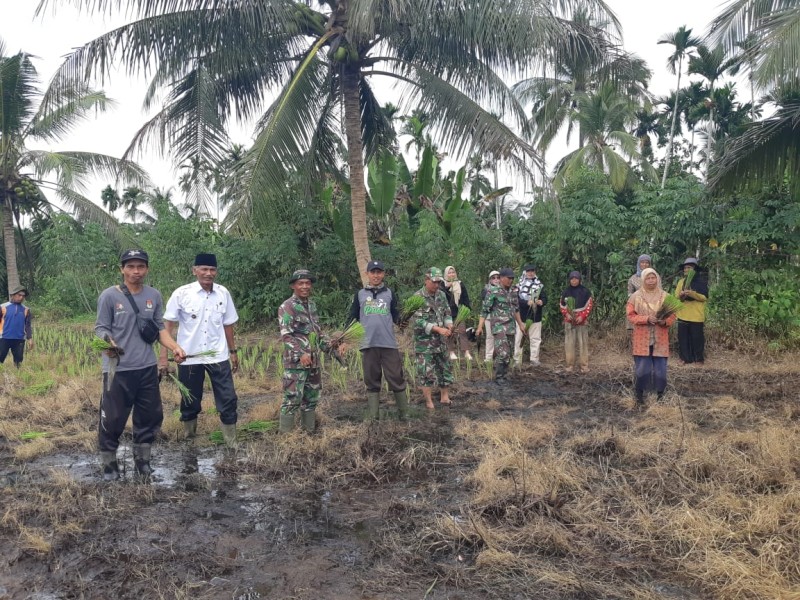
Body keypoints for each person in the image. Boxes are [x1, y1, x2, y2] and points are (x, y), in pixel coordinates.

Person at [95, 249, 186, 481]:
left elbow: (159, 329)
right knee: (112, 419)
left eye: (141, 266)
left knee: (149, 417)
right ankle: (109, 466)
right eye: (131, 266)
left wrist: (175, 347)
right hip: (118, 369)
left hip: (146, 368)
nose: (136, 271)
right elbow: (101, 328)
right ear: (122, 269)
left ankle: (143, 463)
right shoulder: (109, 296)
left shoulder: (153, 295)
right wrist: (107, 342)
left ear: (147, 269)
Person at [159, 253, 240, 446]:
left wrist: (233, 352)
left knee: (228, 398)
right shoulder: (182, 293)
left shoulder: (223, 293)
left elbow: (228, 324)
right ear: (194, 270)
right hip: (189, 357)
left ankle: (231, 442)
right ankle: (190, 438)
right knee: (190, 400)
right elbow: (167, 326)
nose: (208, 273)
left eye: (212, 270)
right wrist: (163, 357)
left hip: (218, 356)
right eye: (204, 269)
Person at [348, 260, 408, 420]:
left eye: (379, 272)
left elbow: (396, 315)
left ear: (383, 274)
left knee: (396, 376)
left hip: (388, 343)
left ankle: (404, 414)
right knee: (371, 379)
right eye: (373, 272)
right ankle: (374, 416)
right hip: (368, 343)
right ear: (367, 274)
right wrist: (344, 338)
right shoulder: (360, 294)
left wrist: (403, 321)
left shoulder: (390, 293)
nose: (376, 275)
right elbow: (352, 317)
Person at [278, 269, 336, 433]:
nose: (305, 286)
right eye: (301, 283)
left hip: (313, 361)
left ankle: (308, 433)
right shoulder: (287, 306)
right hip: (296, 363)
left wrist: (332, 346)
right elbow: (286, 335)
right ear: (293, 286)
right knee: (292, 398)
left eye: (308, 283)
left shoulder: (311, 305)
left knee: (311, 398)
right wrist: (301, 354)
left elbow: (318, 333)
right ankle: (286, 438)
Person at [626, 268, 677, 405]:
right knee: (642, 367)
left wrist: (665, 322)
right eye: (648, 278)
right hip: (642, 338)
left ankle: (660, 396)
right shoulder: (635, 296)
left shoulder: (666, 296)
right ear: (643, 280)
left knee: (660, 368)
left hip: (660, 338)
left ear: (657, 279)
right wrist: (646, 319)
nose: (651, 281)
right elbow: (631, 315)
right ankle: (639, 396)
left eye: (653, 278)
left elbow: (673, 315)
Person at [476, 268, 526, 384]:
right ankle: (499, 377)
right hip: (498, 326)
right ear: (502, 278)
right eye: (509, 278)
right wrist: (480, 327)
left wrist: (521, 325)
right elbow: (485, 310)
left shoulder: (513, 291)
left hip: (511, 326)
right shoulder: (493, 291)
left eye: (512, 278)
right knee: (503, 353)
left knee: (509, 353)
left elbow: (516, 309)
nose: (511, 280)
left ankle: (504, 374)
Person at [413, 268, 454, 409]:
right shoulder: (417, 297)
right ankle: (429, 402)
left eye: (438, 282)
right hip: (424, 343)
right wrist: (437, 329)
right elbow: (418, 321)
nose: (436, 285)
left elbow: (447, 312)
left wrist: (449, 325)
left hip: (441, 341)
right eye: (434, 282)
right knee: (426, 372)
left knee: (445, 369)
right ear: (426, 280)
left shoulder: (441, 295)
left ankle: (444, 397)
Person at [675, 257, 708, 365]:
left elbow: (704, 297)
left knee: (697, 338)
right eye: (685, 268)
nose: (686, 270)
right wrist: (681, 295)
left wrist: (692, 294)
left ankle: (698, 359)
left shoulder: (701, 282)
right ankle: (684, 358)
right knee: (683, 338)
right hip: (683, 314)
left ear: (694, 269)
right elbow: (676, 296)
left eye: (689, 267)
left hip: (696, 315)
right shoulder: (681, 282)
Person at [559, 271, 593, 373]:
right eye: (572, 279)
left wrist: (582, 316)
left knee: (583, 343)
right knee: (569, 344)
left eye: (576, 279)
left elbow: (589, 305)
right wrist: (567, 315)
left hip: (582, 321)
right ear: (569, 280)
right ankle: (570, 365)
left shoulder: (585, 291)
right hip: (569, 321)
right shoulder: (565, 292)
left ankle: (584, 366)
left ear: (579, 280)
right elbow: (562, 305)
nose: (574, 281)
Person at [514, 264, 547, 367]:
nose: (530, 273)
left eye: (532, 271)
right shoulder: (518, 286)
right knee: (518, 338)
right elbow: (515, 300)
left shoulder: (539, 285)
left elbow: (545, 298)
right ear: (525, 272)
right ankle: (517, 360)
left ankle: (534, 359)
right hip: (521, 317)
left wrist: (541, 302)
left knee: (535, 339)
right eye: (528, 271)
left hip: (535, 317)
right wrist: (526, 302)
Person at [441, 265, 473, 361]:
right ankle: (451, 352)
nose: (451, 274)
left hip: (458, 312)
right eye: (449, 273)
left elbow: (465, 298)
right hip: (447, 313)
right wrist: (448, 287)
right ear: (446, 274)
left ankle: (466, 352)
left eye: (453, 272)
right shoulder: (442, 284)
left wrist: (466, 309)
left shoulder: (460, 284)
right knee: (449, 333)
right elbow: (440, 295)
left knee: (462, 331)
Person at [0, 286, 33, 368]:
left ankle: (17, 373)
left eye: (23, 296)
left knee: (18, 361)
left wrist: (30, 338)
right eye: (19, 295)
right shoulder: (3, 307)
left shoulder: (26, 309)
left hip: (19, 339)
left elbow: (28, 325)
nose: (21, 297)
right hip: (4, 337)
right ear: (12, 295)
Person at [480, 271, 500, 361]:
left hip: (500, 317)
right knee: (490, 336)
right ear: (490, 279)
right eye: (493, 278)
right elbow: (487, 305)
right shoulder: (485, 290)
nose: (496, 279)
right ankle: (488, 357)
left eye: (498, 277)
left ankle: (499, 356)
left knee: (500, 337)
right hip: (489, 317)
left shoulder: (504, 289)